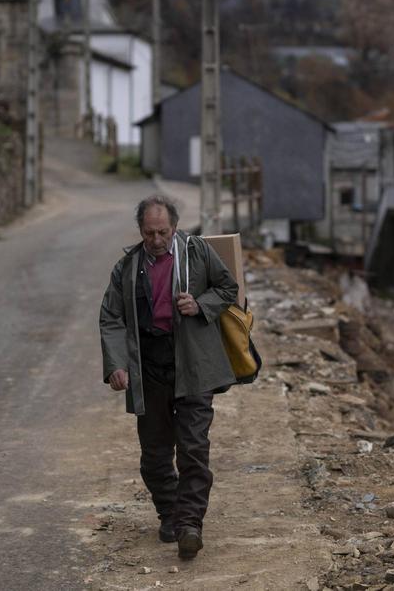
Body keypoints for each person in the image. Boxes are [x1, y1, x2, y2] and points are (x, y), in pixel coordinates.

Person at [99, 194, 238, 560]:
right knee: (155, 454)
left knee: (193, 448)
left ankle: (190, 524)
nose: (156, 240)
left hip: (192, 363)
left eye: (162, 232)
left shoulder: (197, 253)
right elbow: (111, 317)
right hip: (150, 366)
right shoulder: (127, 268)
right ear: (140, 231)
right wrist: (117, 364)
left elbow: (228, 288)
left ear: (174, 228)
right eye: (149, 233)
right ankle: (169, 513)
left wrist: (200, 304)